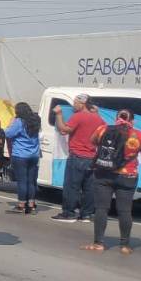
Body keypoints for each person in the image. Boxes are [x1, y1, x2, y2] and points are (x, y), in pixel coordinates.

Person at [83, 109, 141, 254]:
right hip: (128, 176)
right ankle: (125, 245)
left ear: (117, 119)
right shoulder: (138, 135)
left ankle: (98, 243)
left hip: (103, 174)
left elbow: (93, 141)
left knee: (101, 209)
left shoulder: (103, 129)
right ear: (132, 121)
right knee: (125, 211)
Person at [52, 94, 100, 222]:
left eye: (75, 102)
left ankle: (69, 213)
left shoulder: (78, 116)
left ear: (82, 104)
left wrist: (58, 114)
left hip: (77, 156)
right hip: (92, 157)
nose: (73, 105)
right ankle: (87, 214)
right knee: (89, 188)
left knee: (72, 186)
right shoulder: (97, 118)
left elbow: (63, 129)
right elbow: (103, 131)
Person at [5, 102, 41, 214]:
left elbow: (8, 134)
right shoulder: (36, 120)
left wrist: (10, 124)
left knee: (22, 181)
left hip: (20, 155)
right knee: (31, 181)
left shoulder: (19, 122)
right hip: (34, 155)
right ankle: (31, 204)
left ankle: (21, 205)